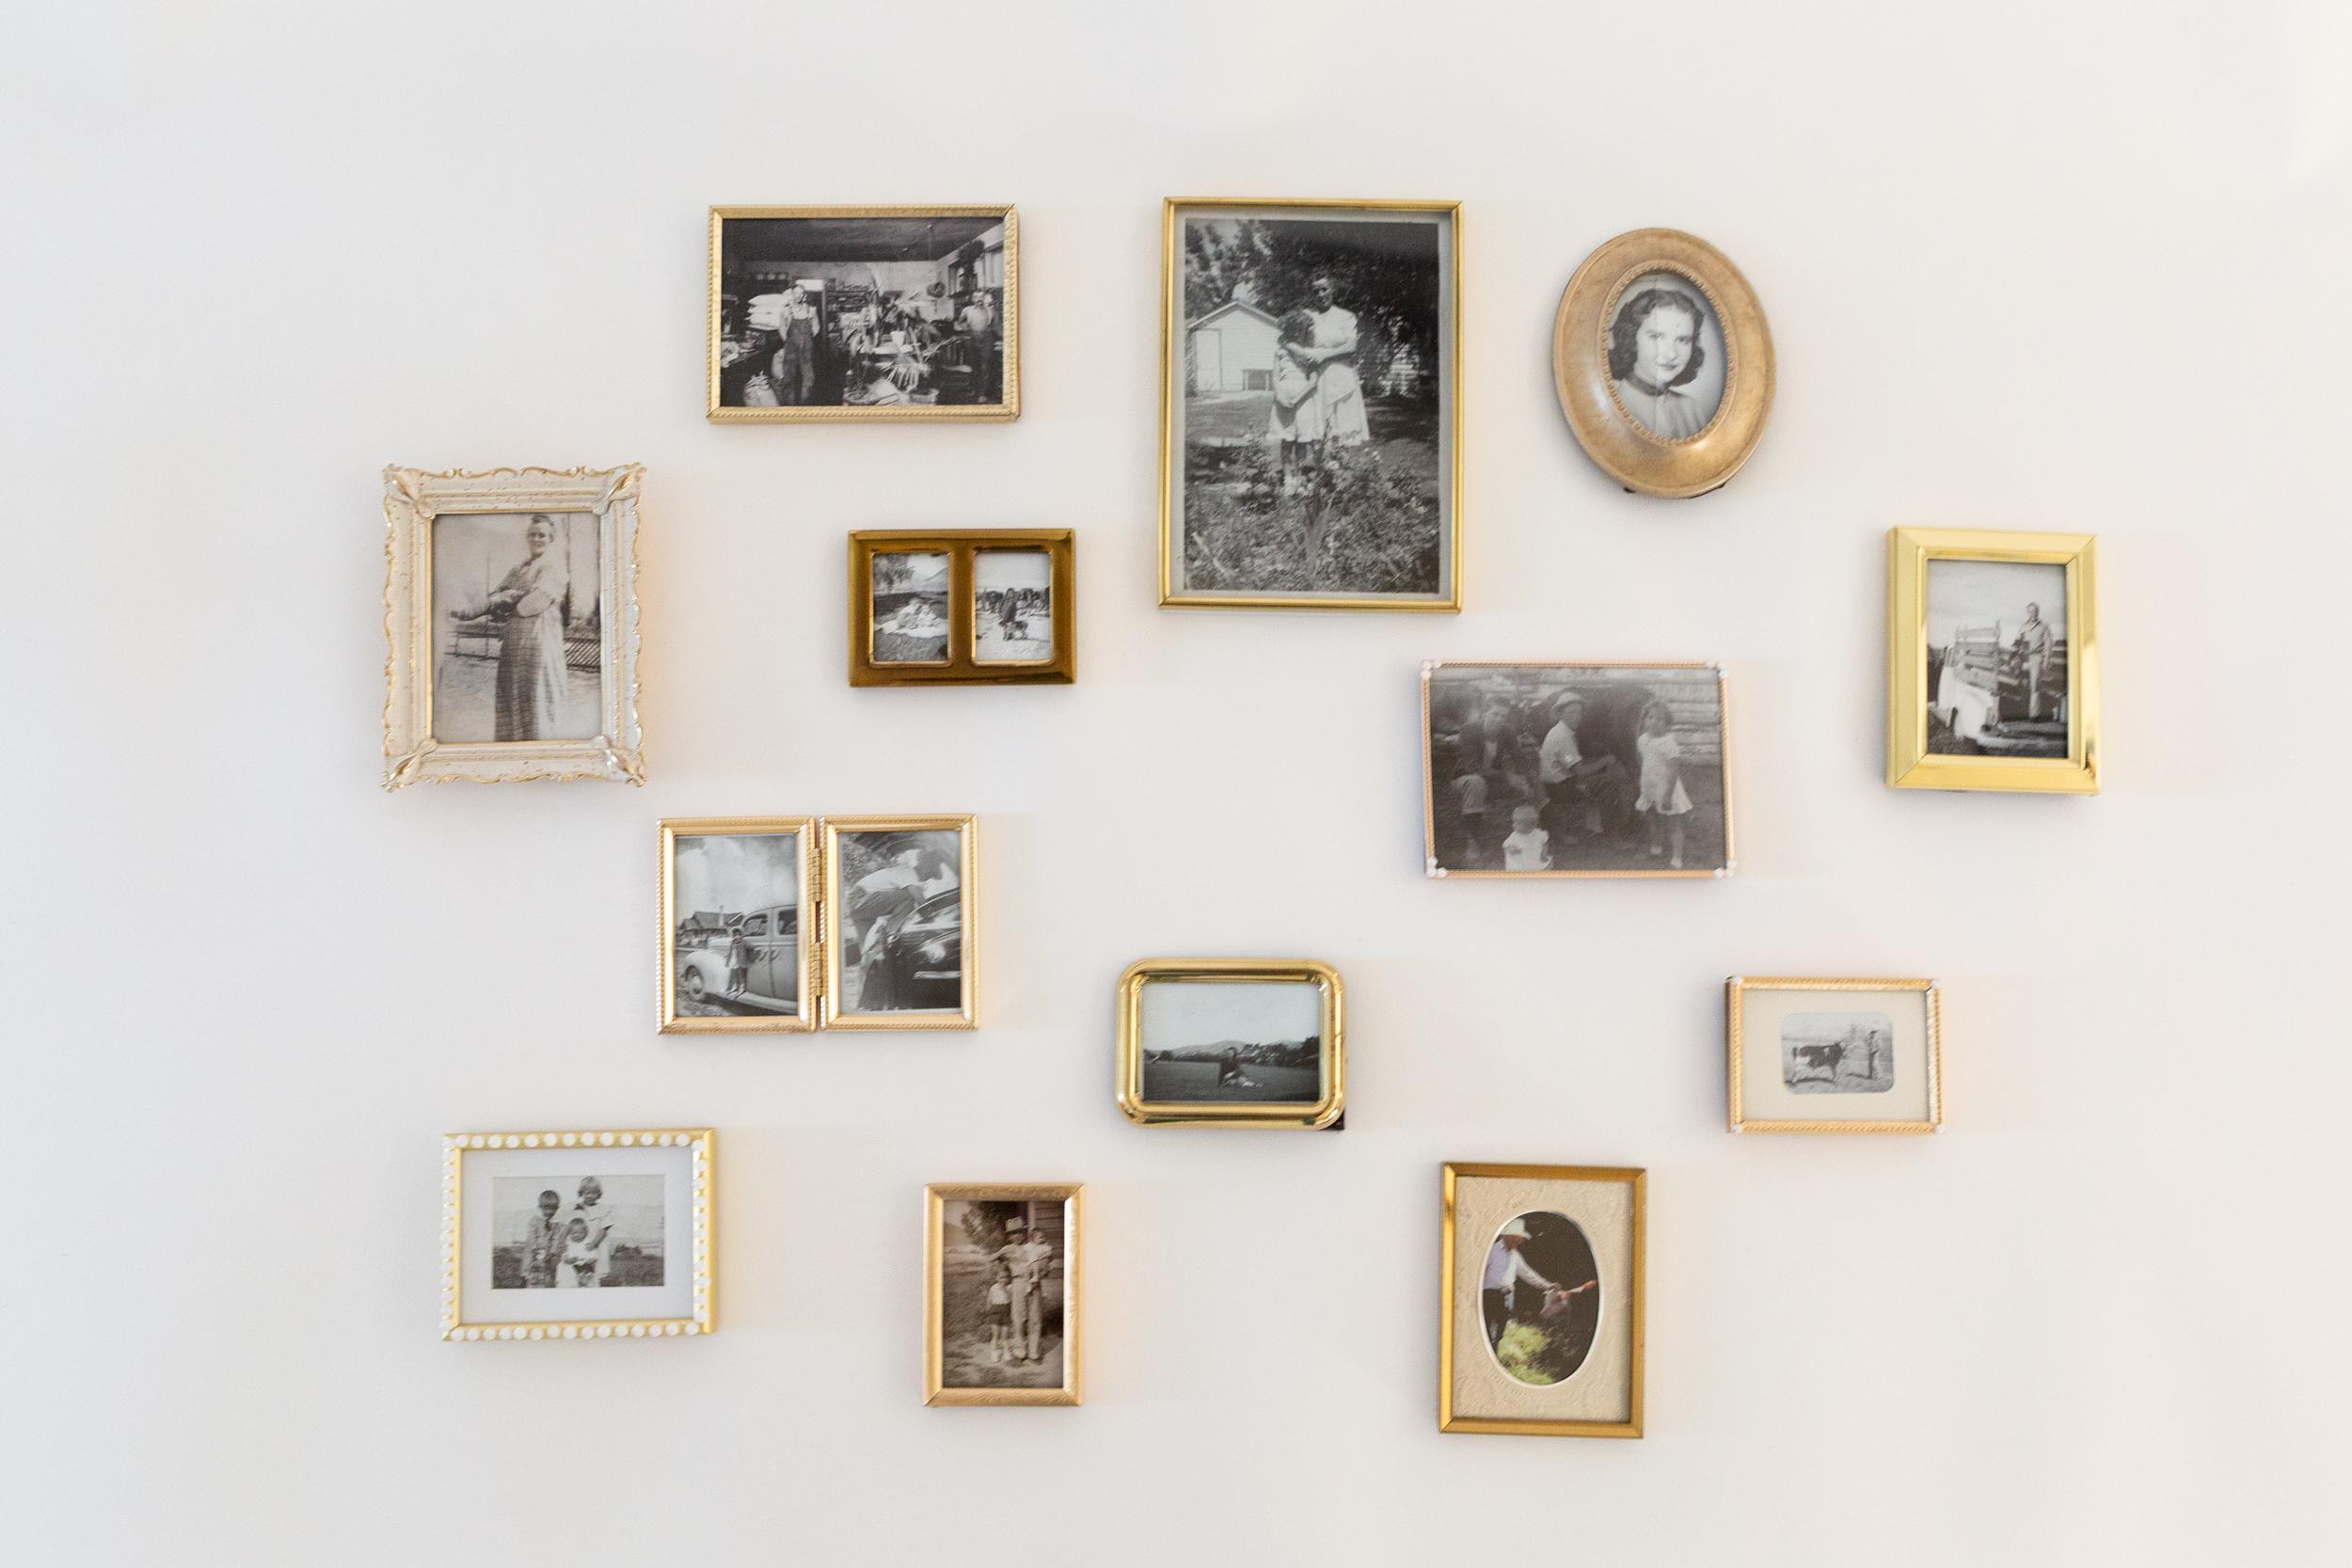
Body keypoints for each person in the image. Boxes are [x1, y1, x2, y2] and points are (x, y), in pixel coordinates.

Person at [447, 513, 575, 742]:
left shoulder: (554, 568)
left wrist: (504, 599)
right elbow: (493, 599)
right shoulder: (519, 569)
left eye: (542, 535)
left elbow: (530, 605)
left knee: (537, 697)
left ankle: (541, 750)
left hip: (540, 644)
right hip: (514, 645)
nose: (536, 539)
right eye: (532, 534)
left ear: (551, 538)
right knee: (513, 696)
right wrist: (494, 602)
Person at [1608, 286, 1709, 439]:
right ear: (1630, 338)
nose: (1671, 354)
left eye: (1683, 340)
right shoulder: (1614, 408)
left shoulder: (1692, 409)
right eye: (1656, 337)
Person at [1482, 1218, 1594, 1349]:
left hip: (1507, 1298)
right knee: (1488, 1330)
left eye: (1520, 1239)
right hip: (1490, 1296)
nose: (1520, 1241)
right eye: (1518, 1238)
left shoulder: (1515, 1256)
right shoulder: (1491, 1251)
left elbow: (1528, 1275)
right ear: (1508, 1236)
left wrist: (1548, 1286)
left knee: (1500, 1333)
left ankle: (1494, 1348)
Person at [1291, 272, 1371, 451]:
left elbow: (1351, 347)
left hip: (1341, 378)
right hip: (1316, 380)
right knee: (1319, 432)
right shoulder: (1306, 316)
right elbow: (1289, 339)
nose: (1320, 295)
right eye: (1316, 291)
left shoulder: (1346, 317)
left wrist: (1325, 355)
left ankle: (1340, 469)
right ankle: (1321, 468)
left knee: (1342, 435)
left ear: (1332, 290)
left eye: (1324, 289)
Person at [1538, 693, 1631, 846]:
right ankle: (1612, 834)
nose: (1577, 717)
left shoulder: (1562, 731)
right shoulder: (1562, 737)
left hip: (1557, 781)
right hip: (1561, 788)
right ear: (1560, 714)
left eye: (1579, 712)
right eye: (1571, 712)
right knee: (1609, 783)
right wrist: (1605, 760)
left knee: (1599, 770)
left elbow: (1570, 761)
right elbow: (1580, 771)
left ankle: (1595, 825)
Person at [1268, 308, 1324, 490]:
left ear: (1306, 330)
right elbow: (1275, 376)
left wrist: (1298, 398)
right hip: (1283, 400)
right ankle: (1287, 478)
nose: (1296, 333)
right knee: (1287, 440)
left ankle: (1299, 478)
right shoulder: (1280, 351)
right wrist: (1279, 396)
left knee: (1302, 441)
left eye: (1300, 330)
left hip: (1304, 400)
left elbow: (1313, 381)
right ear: (1287, 329)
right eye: (1293, 329)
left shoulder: (1309, 353)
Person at [1634, 700, 1693, 869]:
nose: (1654, 722)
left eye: (1660, 719)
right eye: (1651, 718)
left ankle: (1677, 856)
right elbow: (1645, 760)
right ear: (1645, 720)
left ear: (1667, 723)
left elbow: (1674, 772)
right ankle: (1656, 846)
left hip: (1667, 788)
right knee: (1653, 817)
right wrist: (1645, 783)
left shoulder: (1669, 744)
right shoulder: (1643, 740)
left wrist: (1667, 795)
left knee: (1673, 823)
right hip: (1650, 787)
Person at [994, 1217, 1057, 1365]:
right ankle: (1019, 1352)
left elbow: (1046, 1265)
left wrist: (1043, 1269)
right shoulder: (1007, 1250)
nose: (1016, 1236)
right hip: (1017, 1283)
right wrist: (1002, 1283)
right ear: (1009, 1236)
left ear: (1024, 1233)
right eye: (1013, 1233)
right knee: (1018, 1318)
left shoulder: (1033, 1247)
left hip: (1034, 1284)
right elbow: (1000, 1268)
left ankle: (1034, 1353)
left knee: (1035, 1318)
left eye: (1019, 1232)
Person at [567, 1177, 616, 1287]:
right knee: (579, 1271)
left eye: (593, 1193)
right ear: (582, 1193)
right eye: (587, 1193)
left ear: (598, 1194)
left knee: (595, 1273)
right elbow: (572, 1226)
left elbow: (604, 1229)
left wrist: (594, 1243)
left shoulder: (603, 1209)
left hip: (597, 1243)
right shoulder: (577, 1208)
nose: (590, 1196)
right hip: (581, 1244)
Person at [2012, 602, 2056, 718]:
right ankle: (2021, 711)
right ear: (2028, 612)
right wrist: (2016, 655)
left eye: (2035, 611)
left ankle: (2034, 715)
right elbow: (2017, 642)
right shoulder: (2023, 626)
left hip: (2037, 658)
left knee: (2035, 686)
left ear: (2038, 612)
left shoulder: (2044, 626)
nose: (2033, 613)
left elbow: (2048, 645)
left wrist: (2046, 661)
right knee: (2021, 683)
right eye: (2031, 611)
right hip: (2024, 658)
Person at [956, 288, 999, 404]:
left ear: (984, 298)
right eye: (976, 297)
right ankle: (974, 390)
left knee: (985, 366)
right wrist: (963, 327)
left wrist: (993, 336)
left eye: (981, 297)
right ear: (972, 298)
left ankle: (983, 393)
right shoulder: (967, 310)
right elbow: (959, 323)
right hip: (971, 338)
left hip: (987, 339)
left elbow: (996, 327)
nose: (979, 299)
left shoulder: (991, 311)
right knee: (974, 366)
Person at [519, 1188, 564, 1289]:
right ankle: (529, 1282)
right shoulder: (534, 1221)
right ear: (540, 1207)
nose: (549, 1212)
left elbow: (556, 1238)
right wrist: (535, 1249)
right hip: (534, 1253)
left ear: (557, 1208)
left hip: (547, 1254)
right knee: (532, 1273)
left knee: (547, 1274)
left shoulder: (556, 1224)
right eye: (546, 1209)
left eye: (552, 1209)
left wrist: (552, 1252)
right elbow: (531, 1237)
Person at [1501, 802, 1550, 871]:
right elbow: (1506, 844)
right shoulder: (1515, 835)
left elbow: (1545, 843)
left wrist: (1544, 854)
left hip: (1535, 858)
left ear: (1530, 826)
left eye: (1517, 823)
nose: (1513, 825)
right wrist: (1511, 849)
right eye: (1514, 822)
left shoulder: (1539, 833)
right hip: (1520, 860)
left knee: (1544, 866)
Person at [983, 1259, 1014, 1363]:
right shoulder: (993, 1288)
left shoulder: (1010, 1287)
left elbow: (1011, 1299)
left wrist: (1005, 1289)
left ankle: (1006, 1352)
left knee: (1005, 1335)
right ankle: (994, 1352)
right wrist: (987, 1313)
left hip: (1006, 1312)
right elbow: (989, 1300)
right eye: (1001, 1277)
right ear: (996, 1278)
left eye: (1006, 1277)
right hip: (995, 1313)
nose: (1004, 1280)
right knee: (995, 1335)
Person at [554, 1217, 599, 1288]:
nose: (577, 1235)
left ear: (585, 1232)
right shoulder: (568, 1243)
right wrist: (568, 1260)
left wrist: (588, 1261)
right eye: (574, 1233)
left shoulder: (587, 1243)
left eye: (580, 1232)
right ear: (570, 1233)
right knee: (568, 1283)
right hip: (569, 1270)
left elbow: (594, 1257)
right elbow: (564, 1257)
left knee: (585, 1283)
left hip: (584, 1269)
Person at [724, 922, 751, 1000]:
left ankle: (741, 988)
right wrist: (727, 961)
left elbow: (750, 947)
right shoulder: (732, 943)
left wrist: (754, 948)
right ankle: (733, 987)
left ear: (741, 935)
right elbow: (729, 952)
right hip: (733, 960)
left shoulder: (744, 942)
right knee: (733, 974)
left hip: (740, 961)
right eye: (735, 935)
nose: (737, 936)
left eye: (739, 935)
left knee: (741, 975)